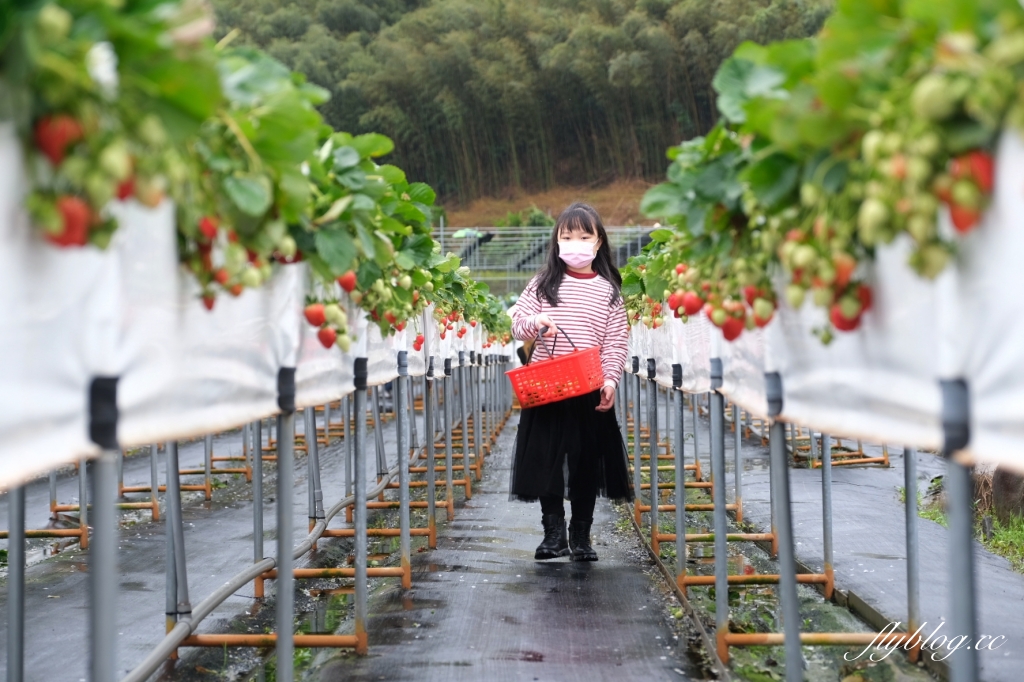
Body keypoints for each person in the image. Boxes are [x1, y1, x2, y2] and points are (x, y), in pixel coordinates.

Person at [509, 202, 632, 562]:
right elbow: (517, 323)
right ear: (556, 241)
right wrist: (538, 321)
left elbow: (615, 342)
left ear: (598, 242)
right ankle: (553, 534)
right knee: (546, 459)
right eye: (567, 236)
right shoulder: (543, 283)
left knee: (584, 462)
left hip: (588, 388)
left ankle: (581, 535)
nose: (574, 243)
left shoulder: (609, 291)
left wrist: (610, 380)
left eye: (583, 236)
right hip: (547, 386)